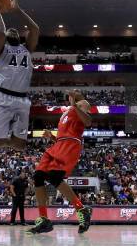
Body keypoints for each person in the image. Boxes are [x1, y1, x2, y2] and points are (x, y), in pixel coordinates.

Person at [0, 0, 40, 169]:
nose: (12, 31)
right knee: (0, 141)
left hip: (22, 99)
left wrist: (18, 10)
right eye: (9, 31)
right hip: (2, 98)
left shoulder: (27, 49)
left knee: (20, 146)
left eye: (16, 31)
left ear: (20, 36)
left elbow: (34, 28)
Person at [28, 90, 93, 234]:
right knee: (38, 176)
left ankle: (81, 209)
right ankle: (44, 219)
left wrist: (75, 105)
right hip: (58, 144)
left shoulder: (79, 112)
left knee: (54, 177)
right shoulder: (66, 114)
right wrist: (51, 136)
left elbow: (88, 121)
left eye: (81, 105)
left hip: (71, 145)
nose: (78, 105)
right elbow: (61, 137)